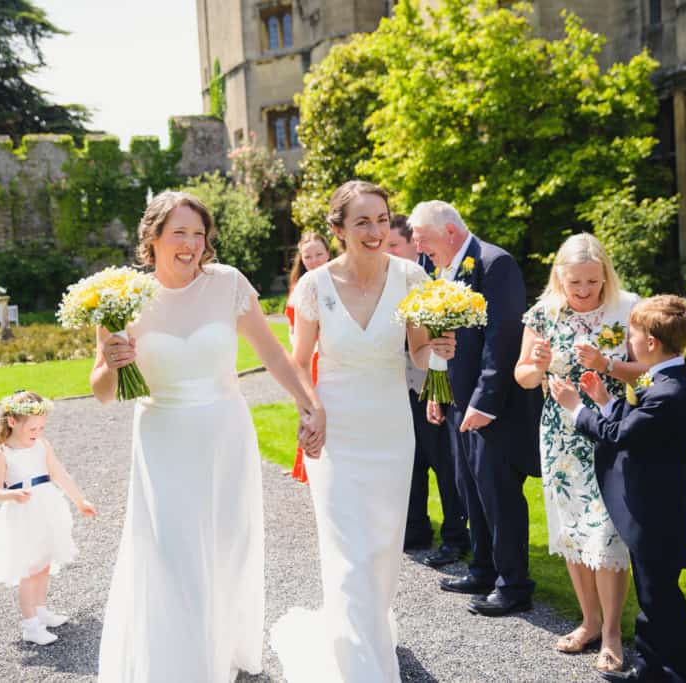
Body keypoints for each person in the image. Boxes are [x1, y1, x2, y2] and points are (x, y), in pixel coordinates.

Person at [94, 191, 325, 682]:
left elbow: (275, 355)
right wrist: (112, 365)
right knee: (173, 551)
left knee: (226, 545)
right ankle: (183, 662)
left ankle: (220, 647)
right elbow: (101, 392)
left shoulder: (229, 285)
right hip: (162, 438)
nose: (192, 244)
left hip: (225, 433)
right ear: (152, 238)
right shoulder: (119, 299)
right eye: (180, 232)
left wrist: (309, 402)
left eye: (199, 234)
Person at [270, 181, 455, 682]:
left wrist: (438, 348)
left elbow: (416, 353)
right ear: (338, 230)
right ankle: (364, 671)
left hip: (391, 429)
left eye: (381, 219)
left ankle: (364, 632)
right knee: (346, 552)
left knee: (380, 549)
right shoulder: (315, 286)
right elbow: (297, 360)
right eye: (361, 222)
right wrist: (310, 412)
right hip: (334, 433)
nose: (375, 231)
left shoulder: (413, 277)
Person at [551, 295, 686, 683]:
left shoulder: (669, 392)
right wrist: (604, 400)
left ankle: (678, 673)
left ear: (651, 343)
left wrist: (576, 408)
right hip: (652, 509)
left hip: (656, 514)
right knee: (657, 599)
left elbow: (620, 435)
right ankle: (660, 669)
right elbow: (634, 422)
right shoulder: (664, 378)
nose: (628, 342)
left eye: (632, 334)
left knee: (659, 600)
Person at [515, 233, 646, 671]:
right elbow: (524, 377)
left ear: (605, 275)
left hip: (610, 432)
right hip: (560, 437)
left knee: (607, 532)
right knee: (573, 530)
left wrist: (608, 366)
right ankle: (588, 621)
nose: (586, 291)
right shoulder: (543, 313)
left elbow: (647, 373)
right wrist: (535, 364)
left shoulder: (628, 308)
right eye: (576, 284)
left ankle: (611, 633)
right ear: (560, 278)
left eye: (593, 281)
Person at [413, 200, 542, 617]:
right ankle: (482, 568)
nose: (420, 249)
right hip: (454, 399)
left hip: (494, 406)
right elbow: (440, 337)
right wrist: (437, 389)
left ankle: (514, 584)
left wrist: (484, 403)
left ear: (450, 232)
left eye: (425, 240)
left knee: (498, 495)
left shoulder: (493, 263)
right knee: (469, 488)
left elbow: (502, 339)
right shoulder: (436, 267)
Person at [387, 214, 470, 563]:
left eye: (394, 245)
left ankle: (455, 536)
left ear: (413, 246)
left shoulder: (432, 282)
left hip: (432, 386)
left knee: (444, 464)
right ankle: (415, 528)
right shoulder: (385, 281)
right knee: (410, 460)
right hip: (396, 388)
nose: (387, 252)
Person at [0, 390, 96, 646]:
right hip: (23, 514)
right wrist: (12, 494)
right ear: (12, 422)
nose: (38, 432)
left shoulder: (42, 445)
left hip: (47, 507)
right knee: (29, 569)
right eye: (33, 428)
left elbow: (59, 474)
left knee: (44, 563)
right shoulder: (3, 454)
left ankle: (41, 609)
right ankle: (30, 625)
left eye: (42, 427)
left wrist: (80, 501)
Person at [286, 231, 332, 483]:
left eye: (318, 254)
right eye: (308, 256)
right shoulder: (300, 288)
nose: (314, 260)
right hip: (306, 356)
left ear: (328, 254)